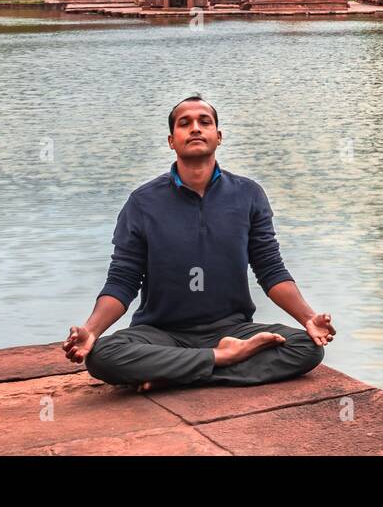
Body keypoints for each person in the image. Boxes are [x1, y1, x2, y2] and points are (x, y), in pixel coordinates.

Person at [62, 95, 335, 391]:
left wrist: (309, 318)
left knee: (306, 348)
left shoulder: (248, 194)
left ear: (218, 137)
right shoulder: (142, 202)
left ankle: (173, 373)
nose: (195, 128)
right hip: (160, 333)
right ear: (171, 140)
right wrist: (91, 330)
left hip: (233, 329)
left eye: (204, 122)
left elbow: (270, 270)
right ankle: (220, 359)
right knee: (102, 356)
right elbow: (122, 281)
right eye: (185, 123)